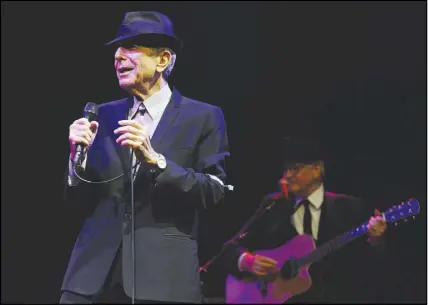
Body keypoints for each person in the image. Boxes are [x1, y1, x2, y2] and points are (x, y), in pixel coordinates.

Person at [60, 11, 230, 304]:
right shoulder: (102, 115)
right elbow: (78, 203)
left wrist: (157, 161)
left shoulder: (203, 117)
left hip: (163, 281)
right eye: (117, 49)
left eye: (130, 48)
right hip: (91, 279)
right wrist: (78, 158)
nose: (117, 56)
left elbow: (213, 191)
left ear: (163, 59)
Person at [220, 137, 388, 303]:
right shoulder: (273, 206)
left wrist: (376, 239)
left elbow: (369, 264)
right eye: (286, 170)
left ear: (316, 170)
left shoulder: (348, 207)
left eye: (295, 169)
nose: (288, 176)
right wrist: (247, 261)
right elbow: (229, 248)